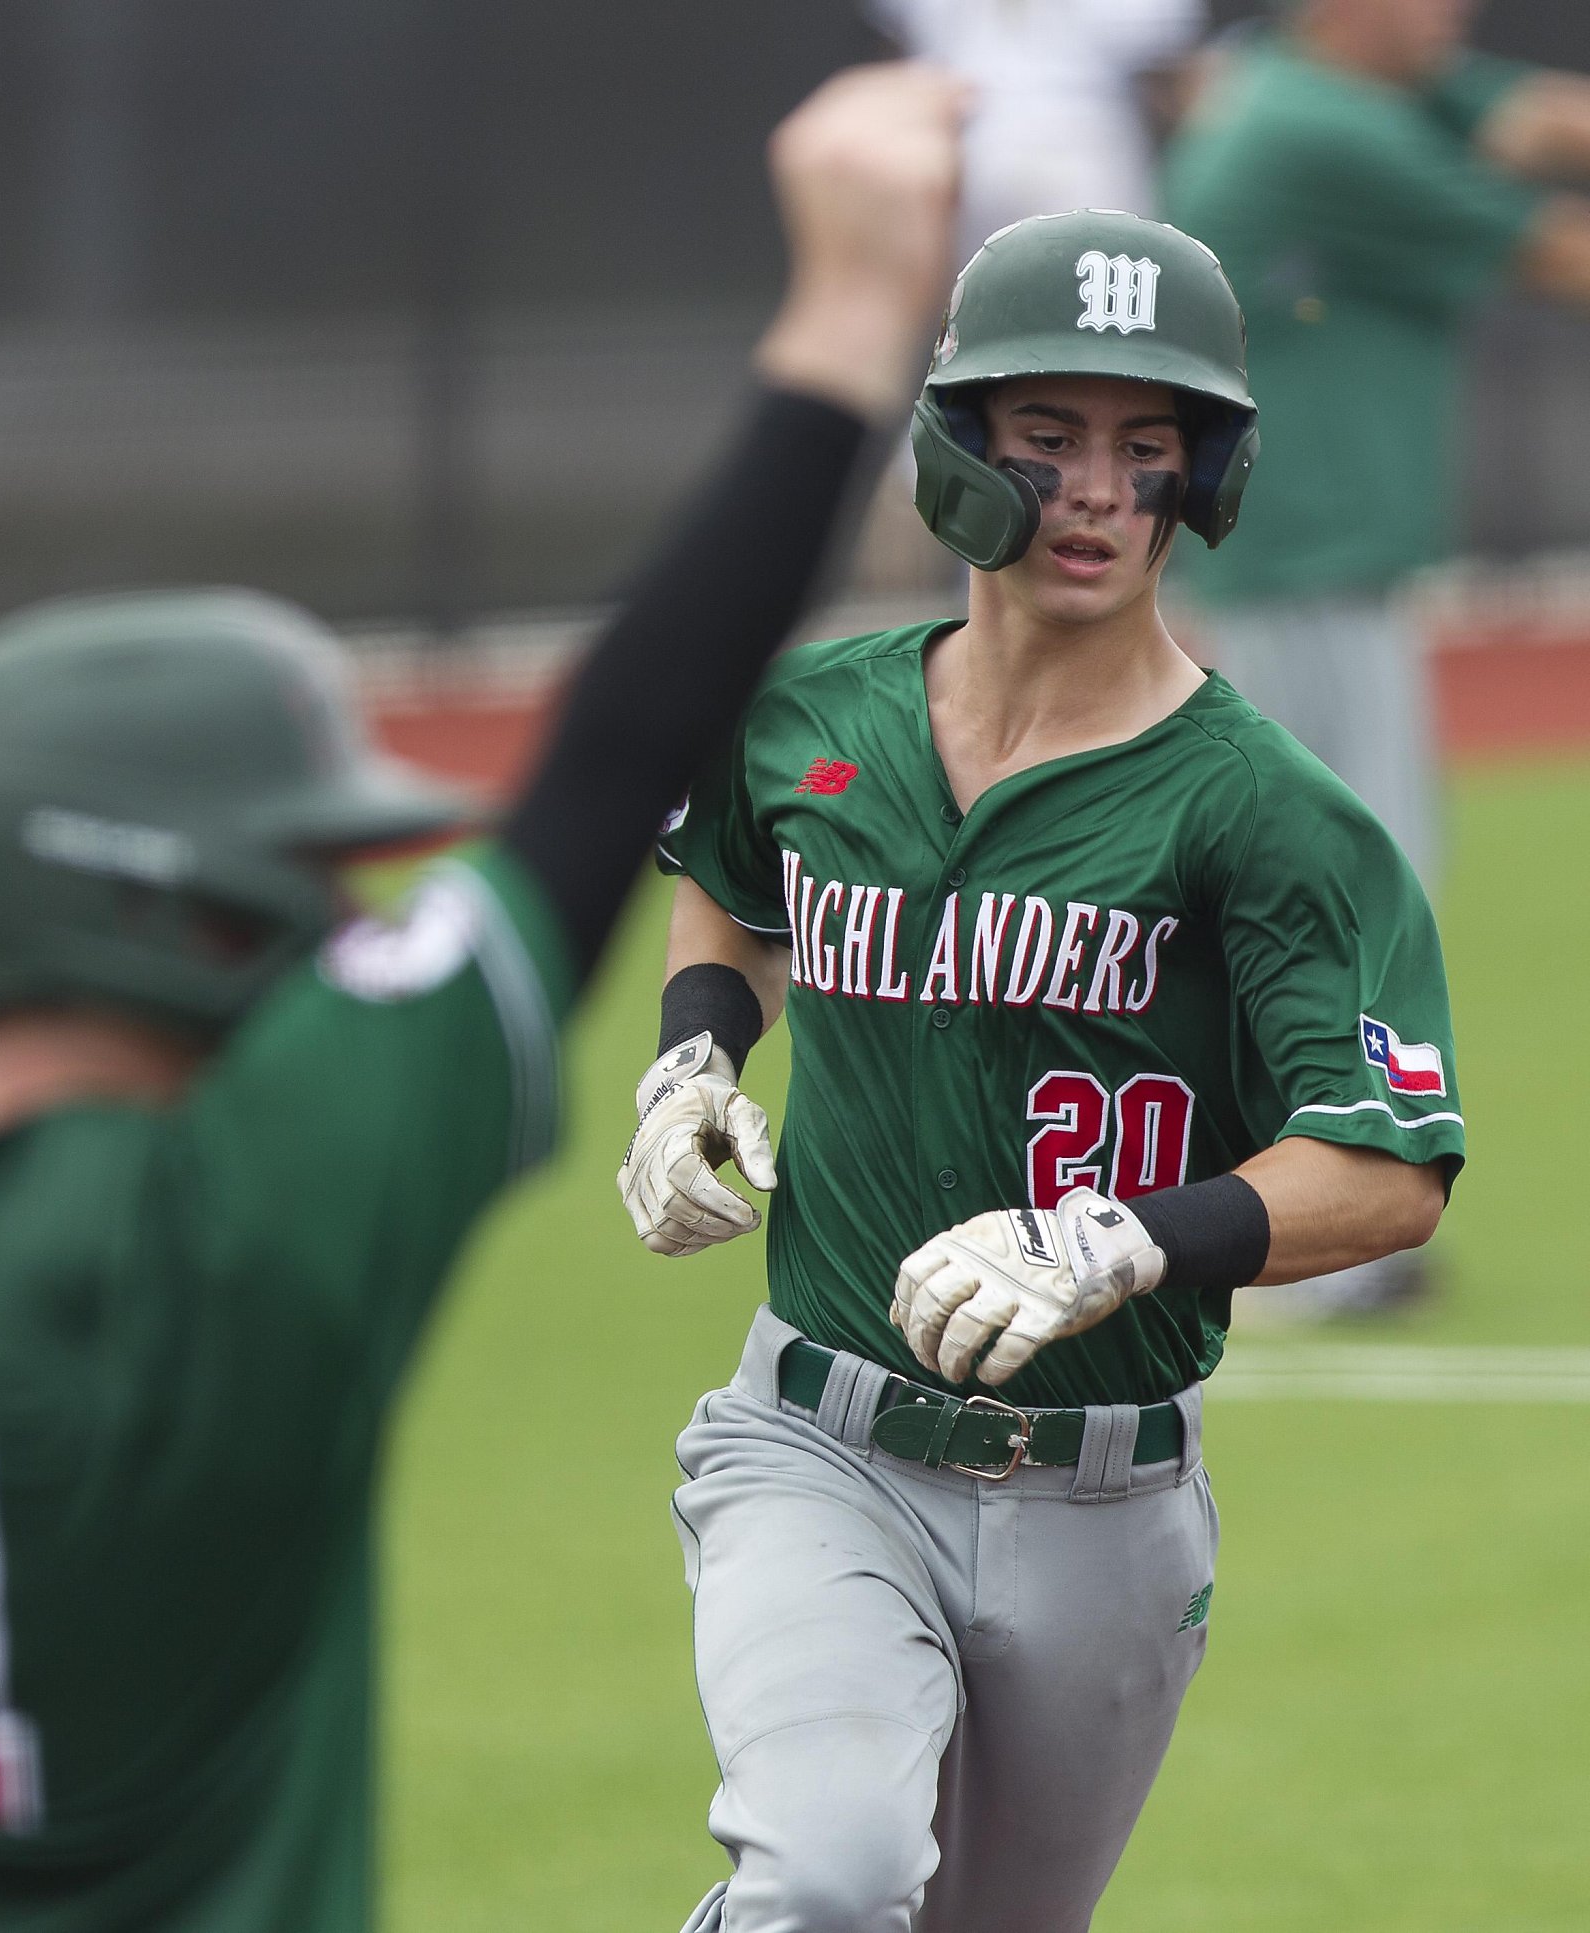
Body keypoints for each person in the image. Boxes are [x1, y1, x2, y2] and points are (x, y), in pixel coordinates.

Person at [0, 70, 964, 1932]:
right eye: (296, 877)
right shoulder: (259, 1223)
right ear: (173, 921)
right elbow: (610, 766)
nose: (333, 915)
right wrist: (846, 317)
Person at [620, 208, 1462, 1933]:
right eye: (1048, 438)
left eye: (1145, 448)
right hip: (817, 1443)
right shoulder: (808, 718)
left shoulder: (1267, 814)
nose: (1092, 492)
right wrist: (690, 1060)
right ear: (956, 455)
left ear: (1202, 478)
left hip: (1109, 1500)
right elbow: (733, 883)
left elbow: (1384, 1165)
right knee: (831, 1876)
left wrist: (1124, 1239)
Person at [1163, 0, 1590, 1311]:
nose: (1446, 13)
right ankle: (1276, 1243)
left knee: (1354, 890)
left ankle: (1289, 1231)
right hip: (1291, 573)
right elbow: (1561, 252)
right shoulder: (1323, 124)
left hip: (1316, 572)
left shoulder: (1327, 93)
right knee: (1327, 898)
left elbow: (1525, 116)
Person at [868, 0, 1206, 261]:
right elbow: (1165, 71)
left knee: (980, 309)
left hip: (977, 135)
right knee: (1098, 302)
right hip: (1078, 136)